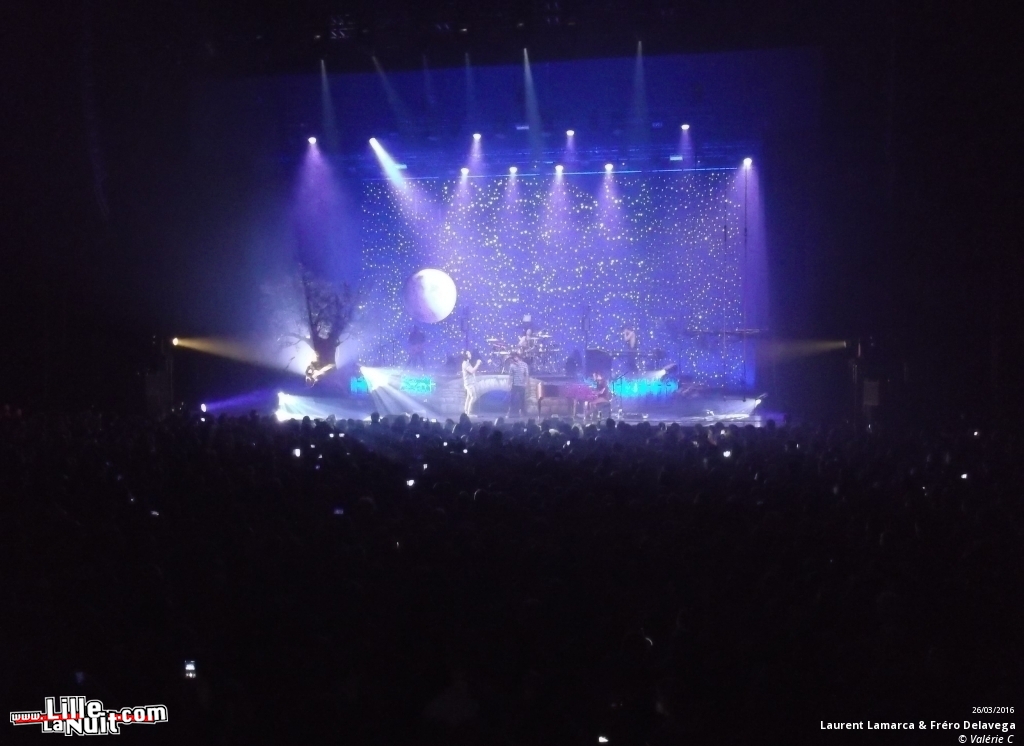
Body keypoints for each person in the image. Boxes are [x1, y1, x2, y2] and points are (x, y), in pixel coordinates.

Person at [507, 352, 530, 418]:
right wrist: (509, 384)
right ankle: (510, 412)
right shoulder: (512, 365)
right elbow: (510, 375)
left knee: (522, 399)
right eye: (514, 357)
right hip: (515, 385)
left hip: (522, 385)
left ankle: (522, 412)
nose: (515, 358)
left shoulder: (524, 365)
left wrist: (526, 383)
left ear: (518, 357)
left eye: (516, 357)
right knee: (511, 399)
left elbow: (526, 375)